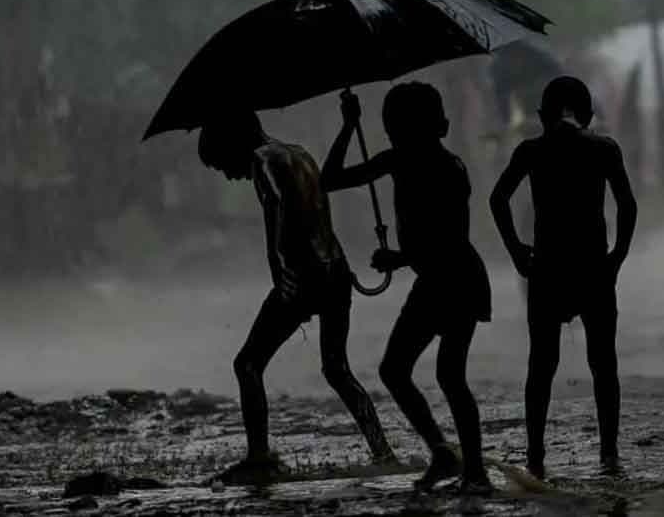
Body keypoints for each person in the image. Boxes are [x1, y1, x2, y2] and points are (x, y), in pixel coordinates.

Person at [196, 111, 396, 485]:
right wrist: (348, 128)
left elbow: (285, 214)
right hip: (336, 269)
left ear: (233, 144)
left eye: (223, 164)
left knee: (248, 364)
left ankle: (259, 456)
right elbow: (322, 203)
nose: (227, 174)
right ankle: (383, 451)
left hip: (303, 275)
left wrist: (284, 270)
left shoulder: (262, 160)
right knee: (337, 369)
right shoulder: (299, 153)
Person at [322, 84, 493, 495]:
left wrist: (400, 257)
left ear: (436, 128)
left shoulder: (448, 169)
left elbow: (450, 239)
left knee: (447, 376)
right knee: (399, 370)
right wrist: (348, 126)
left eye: (401, 127)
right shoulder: (397, 160)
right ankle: (447, 455)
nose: (399, 136)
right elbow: (329, 180)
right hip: (436, 280)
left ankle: (473, 471)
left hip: (455, 279)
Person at [490, 75, 637, 479]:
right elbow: (627, 204)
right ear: (588, 115)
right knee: (603, 364)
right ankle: (609, 454)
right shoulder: (604, 148)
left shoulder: (532, 151)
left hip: (547, 269)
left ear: (542, 116)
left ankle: (535, 456)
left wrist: (517, 251)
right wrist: (618, 255)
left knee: (541, 365)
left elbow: (497, 198)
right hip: (593, 268)